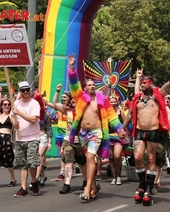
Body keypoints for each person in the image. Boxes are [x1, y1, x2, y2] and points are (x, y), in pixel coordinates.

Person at [67, 54, 126, 200]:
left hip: (96, 133)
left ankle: (87, 189)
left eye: (94, 85)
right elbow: (74, 83)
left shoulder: (102, 100)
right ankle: (94, 187)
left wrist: (119, 129)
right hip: (82, 134)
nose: (92, 86)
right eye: (90, 85)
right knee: (89, 160)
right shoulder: (79, 97)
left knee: (91, 158)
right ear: (84, 88)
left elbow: (112, 117)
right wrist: (72, 67)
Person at [123, 60, 170, 206]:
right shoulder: (137, 98)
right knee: (136, 157)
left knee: (150, 160)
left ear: (150, 83)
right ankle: (142, 184)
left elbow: (169, 84)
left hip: (153, 132)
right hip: (139, 132)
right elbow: (130, 115)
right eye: (141, 83)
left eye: (144, 83)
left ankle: (148, 188)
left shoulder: (157, 95)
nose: (142, 85)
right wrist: (121, 129)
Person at [12, 81, 41, 197]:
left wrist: (19, 113)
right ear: (20, 92)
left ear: (30, 90)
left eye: (27, 90)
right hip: (20, 138)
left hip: (33, 137)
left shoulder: (34, 103)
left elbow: (33, 119)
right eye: (23, 90)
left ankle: (34, 181)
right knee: (22, 164)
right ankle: (23, 187)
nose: (25, 92)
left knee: (32, 163)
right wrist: (14, 123)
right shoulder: (16, 103)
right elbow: (12, 117)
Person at [34, 94, 53, 187]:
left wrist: (50, 142)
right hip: (34, 137)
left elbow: (49, 127)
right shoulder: (32, 113)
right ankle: (43, 175)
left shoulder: (46, 114)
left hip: (43, 136)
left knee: (39, 156)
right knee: (37, 159)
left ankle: (36, 179)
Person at [108, 96, 128, 185]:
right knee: (111, 158)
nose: (112, 103)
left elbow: (125, 122)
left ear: (117, 102)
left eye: (114, 102)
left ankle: (119, 176)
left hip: (118, 137)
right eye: (111, 102)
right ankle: (114, 177)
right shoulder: (107, 113)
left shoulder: (120, 112)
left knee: (117, 156)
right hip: (108, 136)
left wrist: (122, 131)